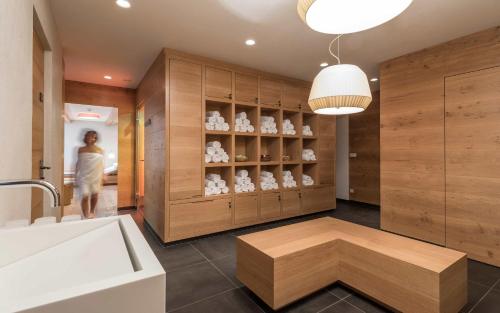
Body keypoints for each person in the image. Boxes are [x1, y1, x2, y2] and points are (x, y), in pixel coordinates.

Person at [75, 130, 104, 218]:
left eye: (93, 137)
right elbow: (78, 162)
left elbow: (101, 163)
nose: (90, 138)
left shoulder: (100, 150)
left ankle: (92, 211)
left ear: (95, 138)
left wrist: (104, 174)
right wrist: (75, 175)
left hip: (96, 176)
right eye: (88, 136)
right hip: (84, 176)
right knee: (85, 195)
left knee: (95, 195)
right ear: (85, 137)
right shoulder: (81, 149)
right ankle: (86, 215)